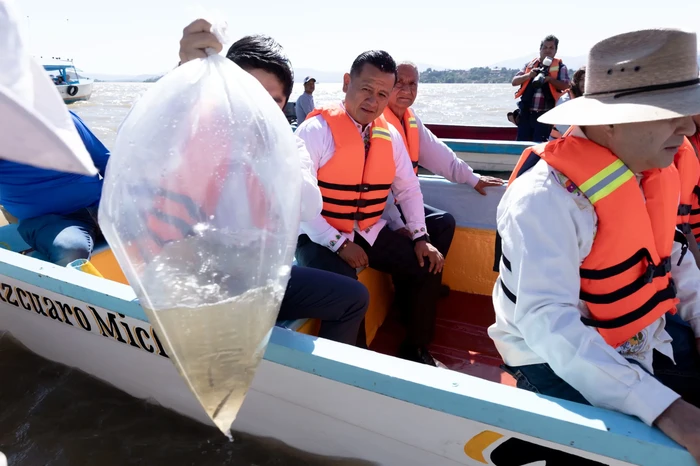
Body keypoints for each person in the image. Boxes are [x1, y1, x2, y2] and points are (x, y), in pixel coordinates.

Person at [491, 29, 700, 462]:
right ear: (610, 120)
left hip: (640, 335)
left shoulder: (650, 168)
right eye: (671, 112)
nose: (689, 126)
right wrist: (666, 409)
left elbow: (673, 255)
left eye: (690, 111)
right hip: (549, 359)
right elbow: (549, 323)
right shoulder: (546, 198)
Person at [177, 19, 369, 346]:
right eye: (248, 93)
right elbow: (144, 148)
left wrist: (265, 151)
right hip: (202, 280)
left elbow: (310, 204)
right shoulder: (194, 133)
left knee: (354, 298)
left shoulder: (288, 145)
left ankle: (330, 387)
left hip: (263, 280)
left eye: (274, 100)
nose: (259, 108)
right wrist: (184, 73)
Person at [295, 50, 445, 366]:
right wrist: (338, 243)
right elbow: (298, 200)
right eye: (366, 89)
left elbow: (408, 188)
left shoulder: (388, 136)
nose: (373, 101)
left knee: (425, 264)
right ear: (347, 82)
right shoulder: (315, 132)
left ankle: (415, 348)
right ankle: (353, 365)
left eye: (381, 94)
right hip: (318, 234)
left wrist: (421, 237)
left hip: (366, 229)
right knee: (347, 290)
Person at [0, 110, 109, 266]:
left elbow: (105, 161)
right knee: (72, 248)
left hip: (102, 206)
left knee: (152, 217)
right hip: (48, 222)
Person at [512, 35, 570, 142]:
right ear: (540, 49)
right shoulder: (529, 66)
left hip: (546, 114)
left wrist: (549, 79)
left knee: (540, 145)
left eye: (551, 48)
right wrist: (529, 75)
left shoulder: (561, 67)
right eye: (545, 47)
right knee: (522, 144)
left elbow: (566, 86)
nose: (547, 50)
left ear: (556, 51)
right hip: (526, 113)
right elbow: (514, 82)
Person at [549, 66, 586, 140]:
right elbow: (562, 127)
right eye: (581, 79)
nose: (585, 83)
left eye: (588, 79)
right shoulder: (565, 99)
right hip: (561, 140)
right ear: (576, 82)